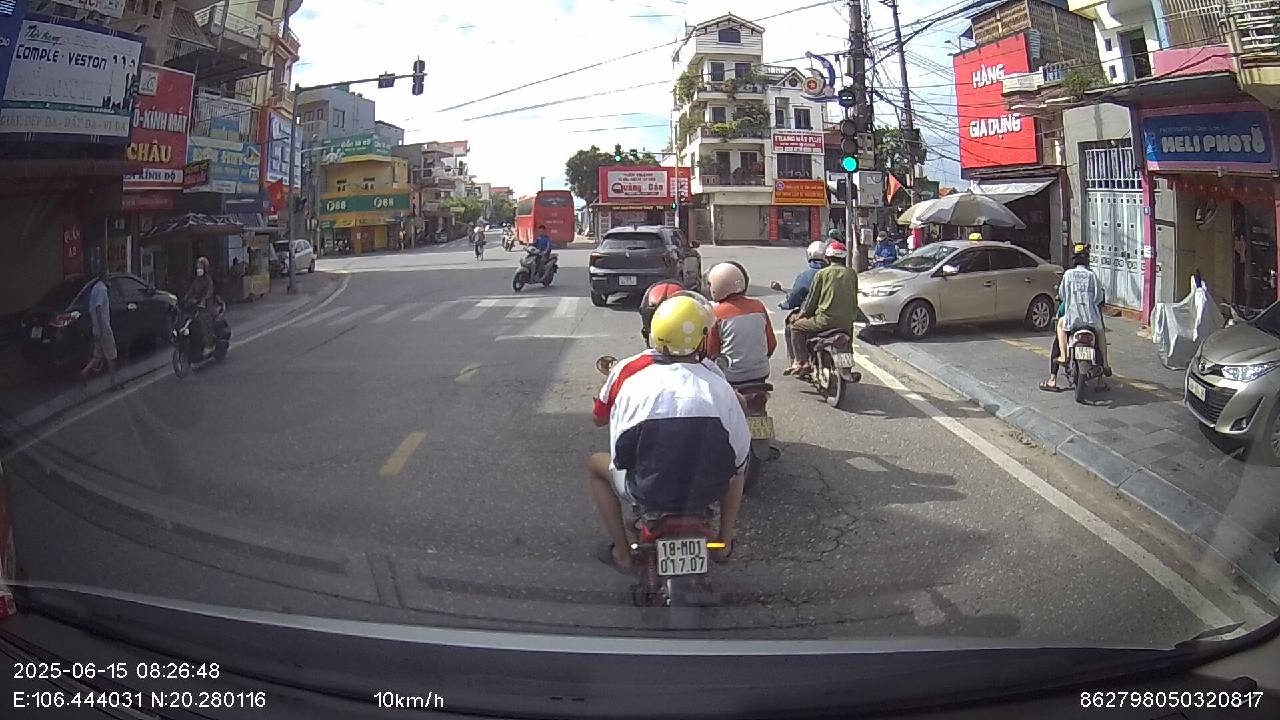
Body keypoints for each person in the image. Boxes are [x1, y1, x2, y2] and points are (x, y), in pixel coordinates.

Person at [587, 294, 751, 569]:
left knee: (595, 465)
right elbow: (740, 455)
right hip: (708, 491)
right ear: (700, 339)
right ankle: (723, 544)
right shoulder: (716, 381)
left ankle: (623, 553)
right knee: (738, 474)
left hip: (647, 491)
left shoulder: (632, 380)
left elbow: (620, 455)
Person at [786, 242, 861, 380]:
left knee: (795, 327)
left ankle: (802, 362)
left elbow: (811, 301)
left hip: (824, 321)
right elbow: (853, 296)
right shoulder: (851, 273)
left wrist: (801, 315)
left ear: (828, 258)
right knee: (847, 338)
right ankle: (847, 369)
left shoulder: (822, 274)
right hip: (846, 321)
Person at [705, 262, 776, 385]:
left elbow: (711, 352)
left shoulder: (717, 313)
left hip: (731, 377)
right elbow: (772, 344)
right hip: (761, 373)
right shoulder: (758, 306)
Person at [770, 241, 827, 366]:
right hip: (835, 316)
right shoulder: (836, 274)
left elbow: (795, 297)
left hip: (814, 316)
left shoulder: (806, 276)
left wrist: (786, 304)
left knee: (791, 325)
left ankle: (798, 361)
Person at [1056, 244, 1111, 373]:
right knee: (1101, 333)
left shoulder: (1068, 274)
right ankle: (1105, 364)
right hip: (1091, 319)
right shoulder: (1092, 275)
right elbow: (1098, 298)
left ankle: (1063, 355)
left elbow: (1062, 295)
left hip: (1072, 319)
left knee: (1060, 325)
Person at [79, 266, 118, 389]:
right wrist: (102, 327)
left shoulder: (95, 288)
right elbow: (98, 307)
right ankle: (113, 383)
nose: (109, 276)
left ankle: (84, 372)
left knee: (98, 355)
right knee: (111, 355)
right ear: (104, 276)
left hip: (96, 328)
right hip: (103, 328)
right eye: (108, 274)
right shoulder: (102, 289)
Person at [185, 256, 215, 351]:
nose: (199, 270)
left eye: (201, 268)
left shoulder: (208, 280)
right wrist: (186, 298)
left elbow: (209, 292)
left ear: (205, 268)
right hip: (197, 305)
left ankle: (208, 345)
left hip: (207, 306)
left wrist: (204, 300)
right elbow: (191, 290)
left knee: (203, 321)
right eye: (197, 268)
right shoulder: (196, 280)